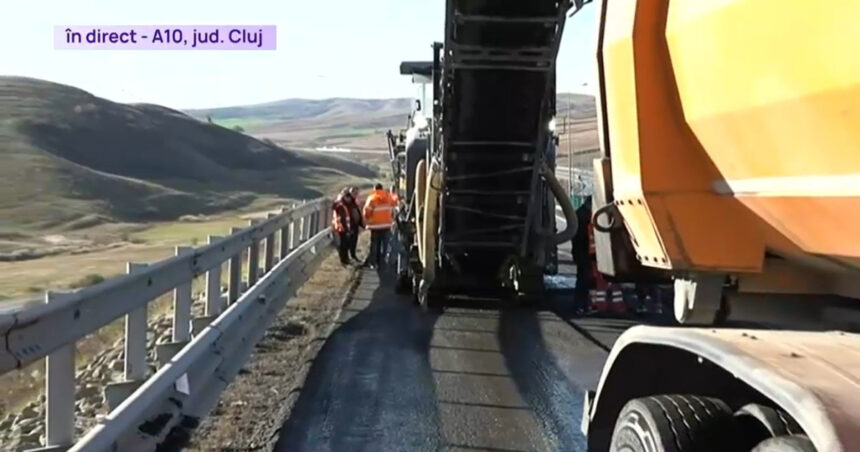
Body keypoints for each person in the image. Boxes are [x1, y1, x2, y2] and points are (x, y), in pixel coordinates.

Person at [363, 183, 396, 269]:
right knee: (385, 244)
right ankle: (383, 262)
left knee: (375, 245)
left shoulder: (372, 198)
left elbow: (367, 211)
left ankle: (374, 262)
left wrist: (368, 219)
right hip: (386, 225)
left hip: (375, 226)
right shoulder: (388, 197)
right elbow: (394, 205)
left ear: (374, 189)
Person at [571, 196, 594, 315]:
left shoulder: (579, 214)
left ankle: (581, 305)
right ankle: (581, 305)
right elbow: (583, 238)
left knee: (582, 278)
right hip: (584, 253)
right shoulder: (585, 217)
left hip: (581, 252)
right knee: (584, 279)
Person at [331, 188, 354, 265]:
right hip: (341, 227)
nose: (349, 200)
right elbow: (342, 218)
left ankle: (345, 259)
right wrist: (347, 229)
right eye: (349, 198)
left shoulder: (340, 204)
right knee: (344, 244)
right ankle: (344, 260)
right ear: (345, 197)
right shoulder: (341, 206)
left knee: (344, 244)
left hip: (341, 227)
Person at [344, 186, 364, 262]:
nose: (356, 194)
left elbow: (357, 213)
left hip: (354, 224)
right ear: (351, 192)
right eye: (354, 193)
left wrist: (361, 223)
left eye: (357, 193)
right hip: (349, 224)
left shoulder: (354, 202)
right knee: (349, 241)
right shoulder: (348, 201)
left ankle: (353, 256)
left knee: (354, 241)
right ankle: (348, 257)